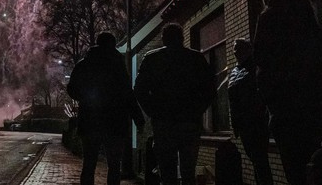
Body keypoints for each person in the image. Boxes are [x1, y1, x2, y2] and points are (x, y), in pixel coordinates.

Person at [253, 0, 322, 185]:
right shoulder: (305, 13)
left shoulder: (269, 18)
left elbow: (261, 59)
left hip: (286, 110)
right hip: (313, 106)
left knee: (293, 167)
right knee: (313, 162)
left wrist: (270, 98)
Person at [134, 23, 216, 185]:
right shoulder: (196, 58)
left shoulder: (152, 59)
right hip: (189, 122)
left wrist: (153, 111)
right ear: (182, 38)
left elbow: (140, 89)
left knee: (167, 172)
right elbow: (210, 90)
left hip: (164, 123)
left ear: (164, 39)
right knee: (188, 171)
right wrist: (197, 110)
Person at [67, 32, 145, 185]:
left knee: (89, 164)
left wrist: (84, 97)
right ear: (113, 44)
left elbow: (71, 88)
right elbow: (128, 93)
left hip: (89, 121)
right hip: (115, 122)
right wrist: (139, 119)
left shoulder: (84, 64)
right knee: (114, 165)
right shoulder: (117, 65)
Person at [228, 38, 273, 185]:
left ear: (248, 50)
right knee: (256, 159)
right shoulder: (235, 70)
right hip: (244, 123)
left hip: (256, 122)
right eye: (235, 49)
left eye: (239, 48)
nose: (235, 52)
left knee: (259, 159)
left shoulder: (255, 68)